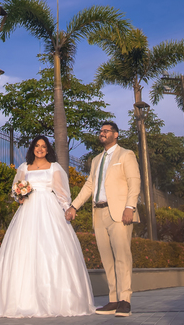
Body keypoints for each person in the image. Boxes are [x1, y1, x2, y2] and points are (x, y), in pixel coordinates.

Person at [0, 136, 95, 318]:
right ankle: (22, 299)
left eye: (43, 146)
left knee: (52, 251)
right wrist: (19, 196)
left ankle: (57, 299)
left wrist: (67, 209)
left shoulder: (55, 168)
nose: (40, 149)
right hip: (28, 211)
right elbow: (16, 189)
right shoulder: (24, 168)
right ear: (32, 148)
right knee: (24, 250)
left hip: (49, 210)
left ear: (48, 149)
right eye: (37, 146)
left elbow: (62, 193)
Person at [66, 121, 140, 317]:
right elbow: (90, 185)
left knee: (122, 256)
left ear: (116, 135)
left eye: (106, 131)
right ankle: (114, 299)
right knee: (107, 258)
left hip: (119, 213)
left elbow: (134, 182)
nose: (102, 133)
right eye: (101, 131)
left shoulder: (126, 155)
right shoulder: (97, 160)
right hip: (99, 213)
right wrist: (74, 206)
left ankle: (125, 300)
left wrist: (130, 207)